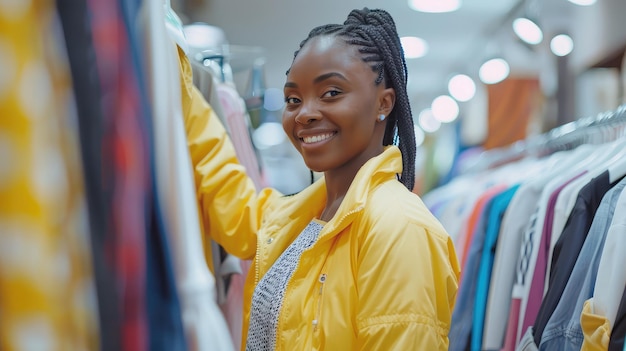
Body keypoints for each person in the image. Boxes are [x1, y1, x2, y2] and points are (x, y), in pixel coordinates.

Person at [178, 7, 460, 350]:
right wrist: (177, 83)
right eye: (293, 99)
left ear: (383, 103)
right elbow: (230, 199)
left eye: (331, 93)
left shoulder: (400, 229)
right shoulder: (302, 216)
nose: (305, 113)